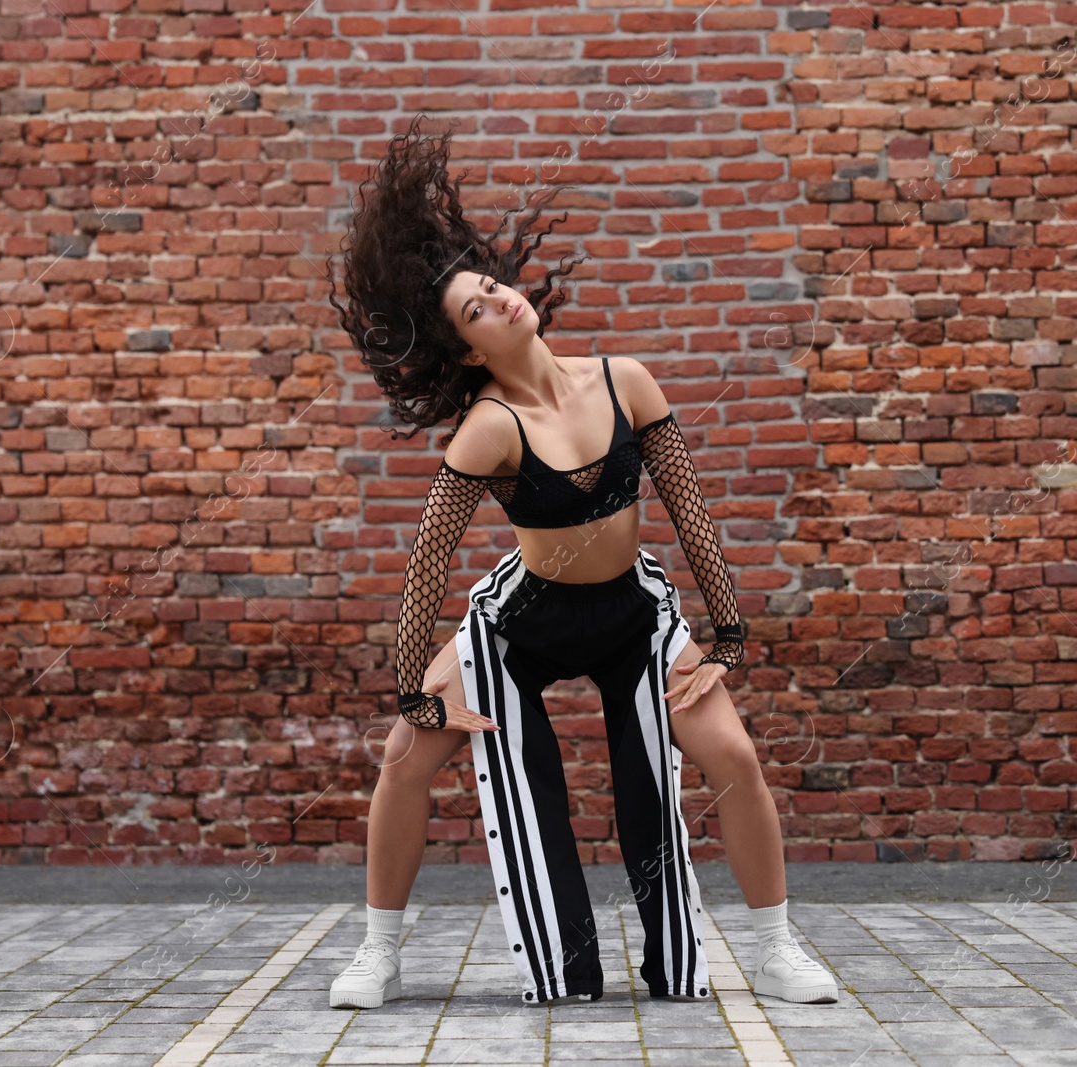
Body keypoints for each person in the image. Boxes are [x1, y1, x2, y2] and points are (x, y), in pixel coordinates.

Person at [322, 114, 837, 1008]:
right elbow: (426, 562)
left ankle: (775, 946)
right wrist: (415, 685)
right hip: (527, 621)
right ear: (466, 348)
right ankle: (378, 953)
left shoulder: (624, 380)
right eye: (473, 312)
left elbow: (688, 506)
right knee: (406, 754)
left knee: (734, 754)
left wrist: (726, 633)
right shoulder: (489, 428)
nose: (497, 302)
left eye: (491, 287)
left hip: (629, 613)